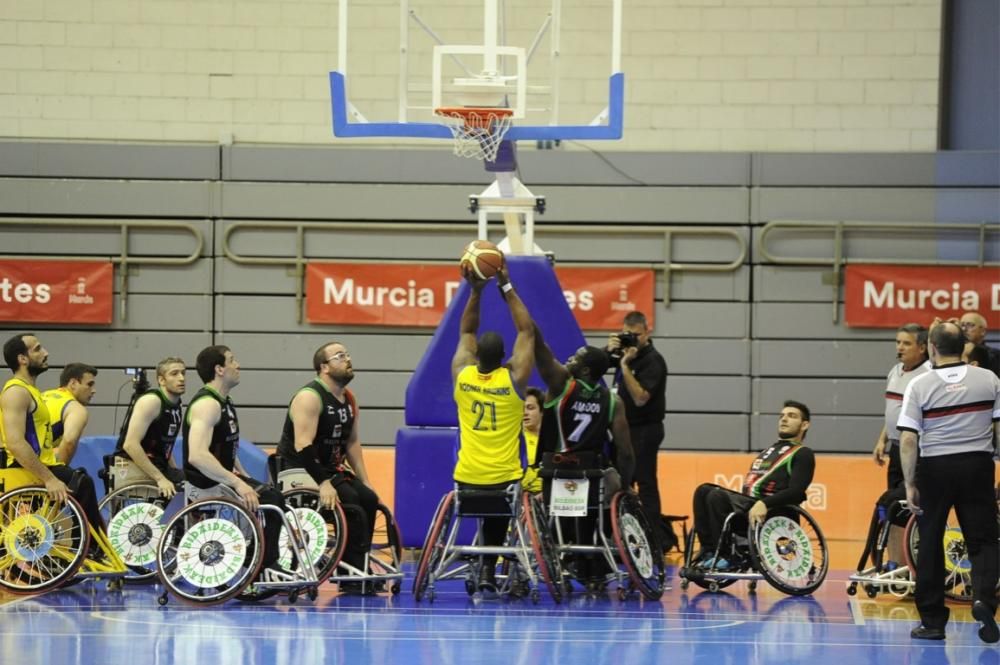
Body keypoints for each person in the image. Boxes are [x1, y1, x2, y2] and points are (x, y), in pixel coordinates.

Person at [899, 321, 1000, 643]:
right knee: (984, 540)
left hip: (935, 468)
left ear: (931, 346)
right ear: (964, 345)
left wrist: (910, 481)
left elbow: (907, 440)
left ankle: (932, 622)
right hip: (978, 465)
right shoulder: (989, 379)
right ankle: (984, 598)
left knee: (929, 541)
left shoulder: (920, 384)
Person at [452, 262, 534, 597]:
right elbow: (527, 331)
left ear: (474, 356)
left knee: (485, 502)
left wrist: (475, 290)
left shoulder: (462, 374)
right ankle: (488, 565)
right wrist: (506, 286)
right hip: (503, 477)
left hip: (466, 478)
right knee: (501, 503)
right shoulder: (514, 380)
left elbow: (465, 331)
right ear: (505, 357)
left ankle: (484, 565)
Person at [533, 324, 635, 587]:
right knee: (589, 513)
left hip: (555, 470)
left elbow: (538, 345)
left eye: (575, 359)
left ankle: (566, 560)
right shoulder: (613, 401)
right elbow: (625, 452)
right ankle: (591, 567)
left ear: (585, 370)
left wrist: (512, 297)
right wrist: (625, 487)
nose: (569, 360)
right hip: (589, 473)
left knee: (560, 514)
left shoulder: (561, 386)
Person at [276, 341, 379, 594]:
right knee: (352, 501)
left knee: (368, 497)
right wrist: (323, 483)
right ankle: (352, 574)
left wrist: (365, 479)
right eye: (340, 356)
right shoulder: (309, 397)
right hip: (300, 469)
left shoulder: (349, 399)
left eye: (348, 354)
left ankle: (353, 569)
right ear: (324, 367)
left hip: (332, 469)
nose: (348, 359)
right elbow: (303, 445)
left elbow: (352, 443)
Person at [183, 345, 288, 578]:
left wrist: (242, 475)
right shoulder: (207, 404)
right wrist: (239, 483)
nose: (238, 365)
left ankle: (258, 557)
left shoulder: (224, 401)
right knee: (272, 500)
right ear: (219, 369)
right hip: (204, 485)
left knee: (272, 494)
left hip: (220, 479)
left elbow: (225, 447)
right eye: (232, 360)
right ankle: (262, 563)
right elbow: (197, 455)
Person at [0, 334, 105, 537]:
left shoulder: (33, 391)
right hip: (20, 469)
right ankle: (88, 549)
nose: (46, 353)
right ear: (22, 359)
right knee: (81, 484)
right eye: (38, 349)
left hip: (41, 463)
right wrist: (49, 479)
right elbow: (14, 442)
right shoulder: (16, 392)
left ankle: (81, 549)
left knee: (79, 479)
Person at [690, 401, 815, 570]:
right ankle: (709, 550)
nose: (784, 419)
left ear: (804, 424)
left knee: (716, 496)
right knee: (703, 490)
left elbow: (796, 491)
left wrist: (764, 503)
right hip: (749, 508)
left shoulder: (803, 453)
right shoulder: (768, 452)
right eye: (782, 416)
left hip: (773, 513)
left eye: (791, 416)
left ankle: (730, 555)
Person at [868, 323, 930, 563]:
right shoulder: (895, 371)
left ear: (922, 348)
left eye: (906, 343)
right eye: (898, 342)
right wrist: (881, 439)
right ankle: (895, 563)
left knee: (907, 504)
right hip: (895, 447)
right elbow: (893, 412)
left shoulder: (927, 375)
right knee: (896, 511)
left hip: (917, 449)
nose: (900, 347)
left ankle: (917, 565)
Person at [606, 311, 668, 549]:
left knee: (645, 482)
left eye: (636, 335)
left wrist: (624, 365)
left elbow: (641, 397)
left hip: (645, 430)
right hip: (622, 429)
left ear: (647, 332)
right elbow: (596, 366)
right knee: (619, 483)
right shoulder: (623, 351)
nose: (632, 340)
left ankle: (654, 540)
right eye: (627, 335)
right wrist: (608, 350)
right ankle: (621, 536)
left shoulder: (654, 361)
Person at [112, 357, 186, 498]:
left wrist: (174, 470)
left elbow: (165, 446)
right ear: (161, 380)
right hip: (132, 465)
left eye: (183, 373)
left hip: (159, 463)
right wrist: (160, 479)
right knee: (188, 485)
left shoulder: (177, 404)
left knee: (197, 481)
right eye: (174, 373)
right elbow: (130, 445)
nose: (181, 378)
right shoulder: (151, 401)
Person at [42, 362, 98, 465]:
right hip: (34, 470)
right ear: (73, 384)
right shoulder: (76, 409)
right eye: (89, 385)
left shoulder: (42, 395)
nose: (93, 390)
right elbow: (69, 443)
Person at [520, 387, 544, 495]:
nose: (525, 413)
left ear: (542, 411)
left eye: (530, 408)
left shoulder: (554, 440)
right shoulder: (516, 439)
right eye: (521, 408)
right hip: (521, 496)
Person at [959, 312, 1000, 376]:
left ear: (983, 331)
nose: (964, 329)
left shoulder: (995, 355)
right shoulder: (953, 352)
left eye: (969, 325)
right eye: (962, 325)